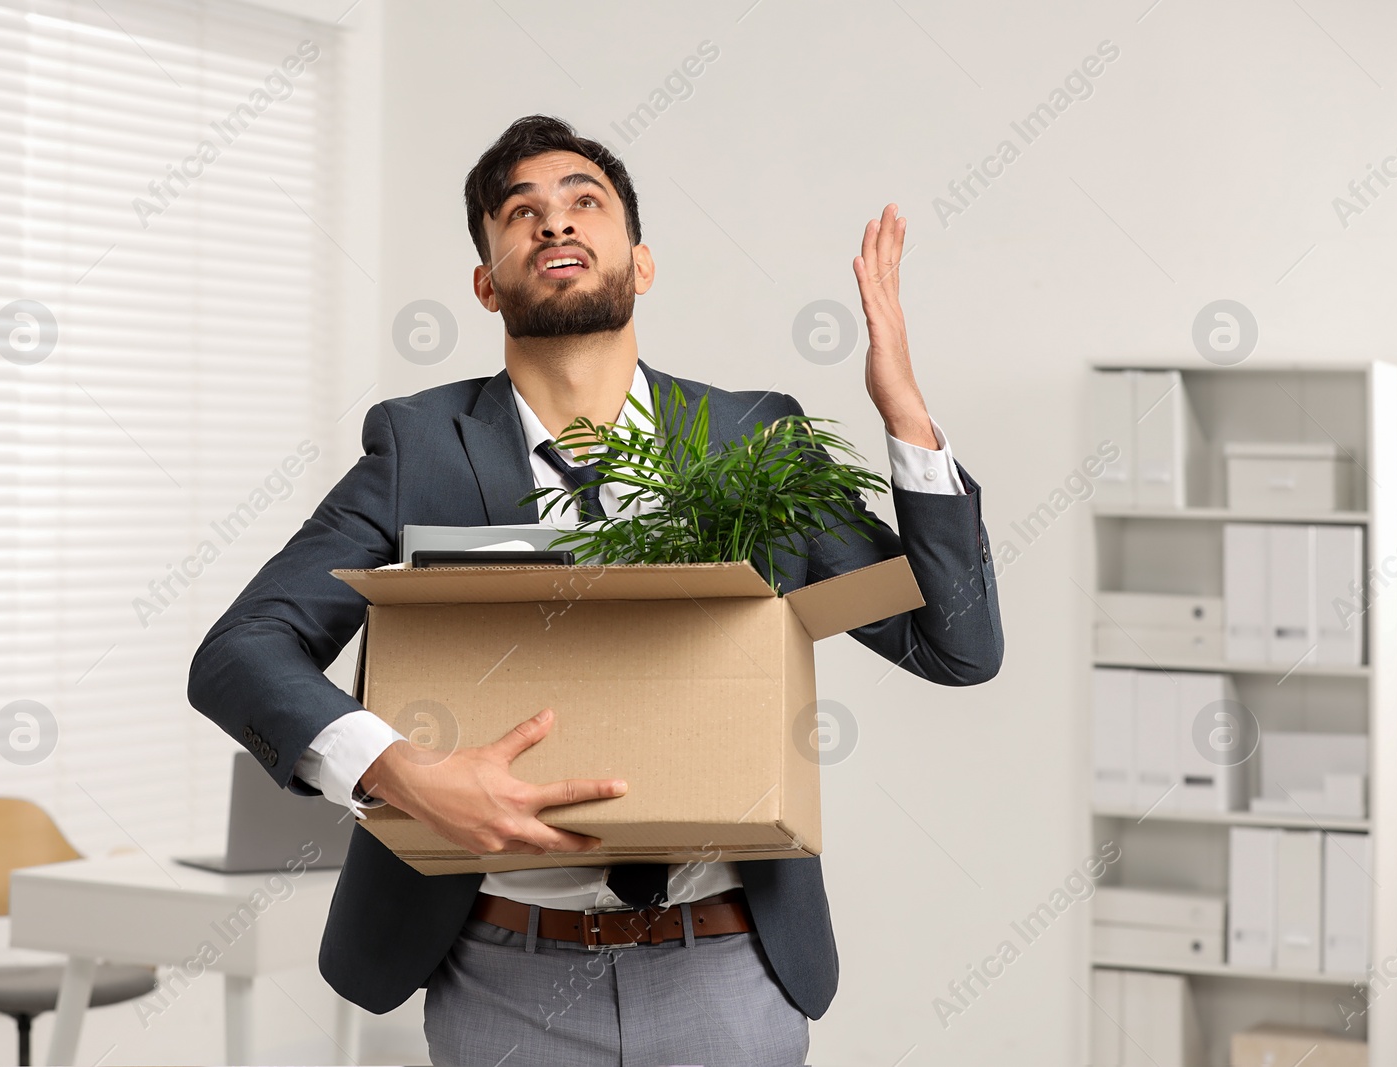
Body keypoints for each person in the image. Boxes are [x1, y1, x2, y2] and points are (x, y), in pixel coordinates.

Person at [188, 113, 1004, 1067]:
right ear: (487, 281)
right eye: (521, 212)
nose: (555, 223)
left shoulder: (754, 438)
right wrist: (401, 773)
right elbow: (241, 650)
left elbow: (956, 644)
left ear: (641, 262)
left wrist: (901, 405)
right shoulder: (418, 449)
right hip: (502, 974)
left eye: (585, 202)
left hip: (729, 969)